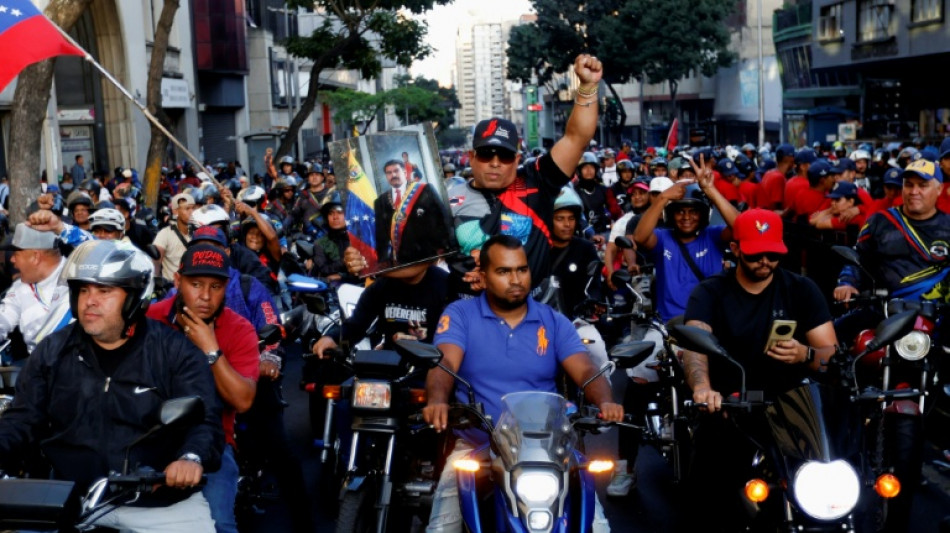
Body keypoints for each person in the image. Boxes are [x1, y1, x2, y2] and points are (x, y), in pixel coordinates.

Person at [0, 240, 223, 531]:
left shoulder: (175, 352)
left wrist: (190, 458)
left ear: (133, 298)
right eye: (83, 290)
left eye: (104, 291)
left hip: (156, 502)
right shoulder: (52, 351)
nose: (90, 300)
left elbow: (204, 420)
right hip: (66, 499)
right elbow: (23, 418)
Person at [422, 236, 623, 532]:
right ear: (484, 276)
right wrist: (437, 400)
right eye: (504, 272)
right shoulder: (460, 315)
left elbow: (585, 369)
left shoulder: (553, 321)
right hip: (477, 445)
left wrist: (605, 400)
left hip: (548, 451)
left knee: (597, 526)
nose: (515, 279)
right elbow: (445, 363)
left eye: (522, 270)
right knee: (443, 527)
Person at [681, 209, 837, 531]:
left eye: (772, 254)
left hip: (792, 406)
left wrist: (804, 354)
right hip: (730, 406)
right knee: (706, 495)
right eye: (755, 254)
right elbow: (696, 347)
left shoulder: (802, 289)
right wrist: (702, 389)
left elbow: (829, 352)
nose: (764, 261)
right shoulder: (710, 292)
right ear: (736, 248)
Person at [435, 54, 601, 292]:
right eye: (485, 155)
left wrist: (587, 88)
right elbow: (418, 259)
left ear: (516, 160)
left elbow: (577, 138)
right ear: (471, 157)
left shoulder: (537, 180)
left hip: (530, 312)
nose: (494, 163)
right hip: (468, 314)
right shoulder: (448, 199)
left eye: (503, 156)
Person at [147, 244, 259, 533]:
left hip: (214, 444)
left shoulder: (240, 329)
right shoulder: (150, 319)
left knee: (219, 524)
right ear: (177, 281)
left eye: (216, 286)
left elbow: (243, 401)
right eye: (196, 284)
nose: (206, 296)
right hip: (146, 439)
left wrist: (211, 349)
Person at [633, 157, 739, 322]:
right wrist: (663, 198)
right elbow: (639, 237)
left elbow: (740, 227)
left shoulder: (712, 236)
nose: (686, 217)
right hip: (669, 324)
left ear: (702, 215)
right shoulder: (663, 238)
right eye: (680, 211)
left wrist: (711, 191)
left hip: (709, 322)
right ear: (671, 215)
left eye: (693, 211)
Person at [372, 159, 453, 268]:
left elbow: (443, 219)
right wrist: (384, 259)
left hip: (431, 256)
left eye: (396, 171)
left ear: (405, 173)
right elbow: (381, 235)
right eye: (389, 173)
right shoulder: (380, 202)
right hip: (402, 261)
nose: (393, 175)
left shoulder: (425, 190)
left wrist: (446, 249)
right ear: (386, 176)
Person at [549, 186, 599, 316]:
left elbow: (594, 284)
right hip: (543, 319)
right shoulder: (539, 249)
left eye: (571, 218)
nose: (567, 224)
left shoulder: (586, 248)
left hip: (579, 320)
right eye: (560, 219)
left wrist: (593, 304)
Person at [154, 192, 197, 281]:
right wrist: (156, 283)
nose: (191, 212)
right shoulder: (165, 234)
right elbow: (156, 262)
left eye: (193, 208)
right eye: (187, 208)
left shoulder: (198, 232)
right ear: (176, 211)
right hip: (172, 286)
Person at [757, 143, 795, 210]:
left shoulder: (769, 172)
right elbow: (775, 208)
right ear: (789, 159)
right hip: (769, 217)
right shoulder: (778, 177)